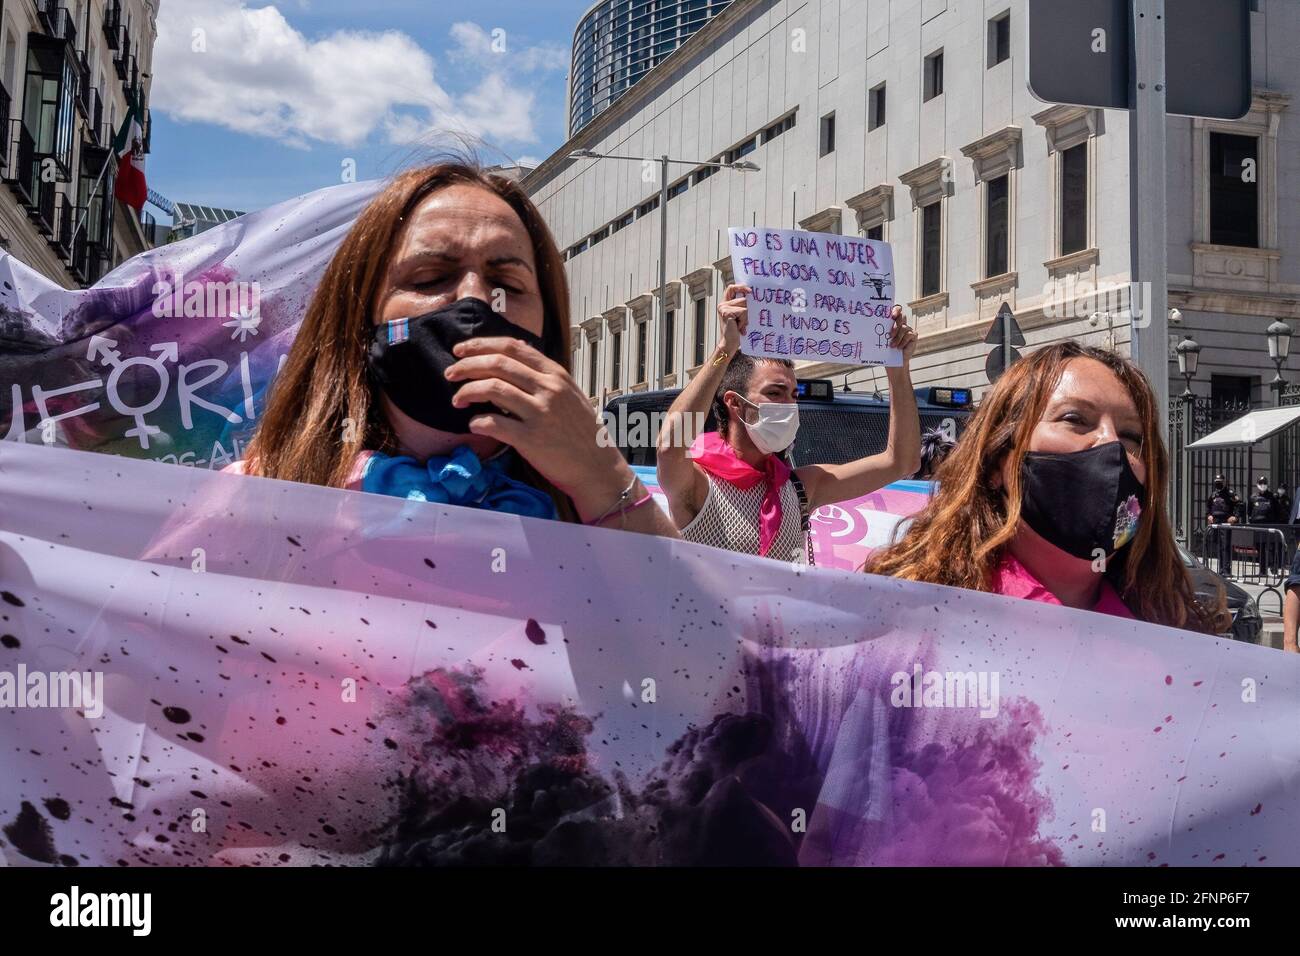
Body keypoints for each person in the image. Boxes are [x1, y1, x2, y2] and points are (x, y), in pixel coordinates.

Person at [229, 162, 678, 538]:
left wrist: (603, 479)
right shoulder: (248, 498)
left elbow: (703, 634)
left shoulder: (607, 507)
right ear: (360, 315)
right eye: (428, 278)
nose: (475, 300)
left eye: (506, 283)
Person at [866, 342, 1228, 632]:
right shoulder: (907, 617)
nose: (1111, 445)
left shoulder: (1177, 640)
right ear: (998, 463)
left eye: (1132, 436)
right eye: (1075, 419)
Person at [655, 291, 920, 563]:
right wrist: (725, 350)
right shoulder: (697, 484)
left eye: (793, 396)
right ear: (735, 403)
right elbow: (669, 445)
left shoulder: (799, 488)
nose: (788, 405)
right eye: (775, 393)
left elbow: (901, 462)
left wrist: (898, 369)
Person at [1206, 474, 1240, 576]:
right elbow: (1208, 508)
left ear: (1224, 482)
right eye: (1217, 482)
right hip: (1216, 522)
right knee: (1219, 545)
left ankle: (1226, 569)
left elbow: (1239, 505)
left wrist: (1235, 517)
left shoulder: (1230, 494)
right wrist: (1209, 515)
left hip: (1226, 521)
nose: (1218, 484)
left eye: (1220, 482)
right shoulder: (1213, 495)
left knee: (1225, 545)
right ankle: (1221, 569)